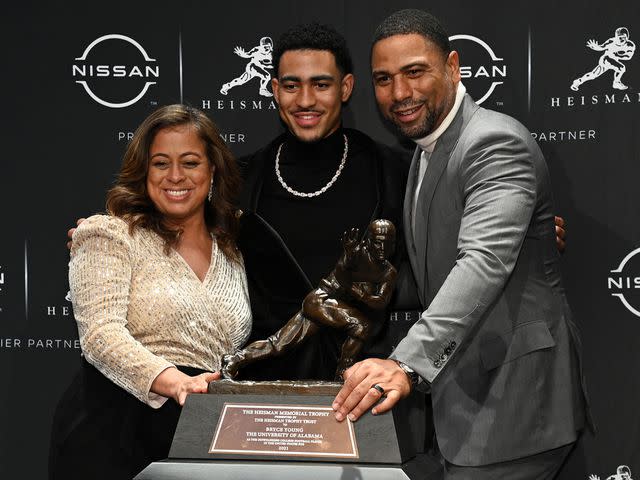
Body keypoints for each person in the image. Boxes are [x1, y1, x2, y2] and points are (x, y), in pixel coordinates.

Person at [332, 9, 591, 479]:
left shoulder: (492, 141)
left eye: (415, 72)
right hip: (468, 404)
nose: (400, 93)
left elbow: (485, 262)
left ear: (453, 67)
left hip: (513, 406)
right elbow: (440, 270)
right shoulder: (427, 150)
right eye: (384, 79)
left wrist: (406, 364)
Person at [49, 105, 252, 480]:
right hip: (114, 430)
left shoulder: (232, 250)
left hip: (199, 433)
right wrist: (176, 383)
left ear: (213, 172)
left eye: (190, 162)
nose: (175, 176)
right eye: (161, 163)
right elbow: (100, 336)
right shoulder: (108, 233)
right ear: (144, 171)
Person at [223, 220, 398, 381]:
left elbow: (380, 302)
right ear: (368, 240)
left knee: (279, 343)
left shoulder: (388, 272)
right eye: (377, 242)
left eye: (387, 243)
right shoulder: (356, 254)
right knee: (361, 326)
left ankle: (236, 359)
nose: (382, 248)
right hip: (320, 301)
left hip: (331, 307)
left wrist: (360, 293)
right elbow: (342, 275)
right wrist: (349, 258)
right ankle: (342, 377)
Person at [571, 27, 635, 91]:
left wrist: (618, 55)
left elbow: (628, 57)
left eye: (624, 37)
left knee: (593, 75)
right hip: (606, 59)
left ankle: (578, 82)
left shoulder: (630, 45)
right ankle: (616, 83)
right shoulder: (611, 41)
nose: (622, 39)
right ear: (616, 37)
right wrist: (595, 47)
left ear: (627, 37)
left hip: (614, 61)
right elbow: (602, 47)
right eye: (620, 37)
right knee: (621, 68)